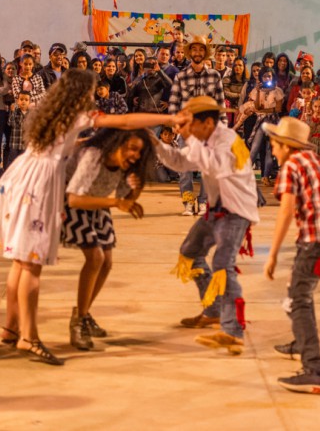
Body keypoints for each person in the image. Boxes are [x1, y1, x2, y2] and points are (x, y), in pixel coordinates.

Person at [0, 69, 180, 365]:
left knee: (20, 261)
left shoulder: (49, 113)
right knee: (32, 263)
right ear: (80, 93)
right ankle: (28, 337)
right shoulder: (78, 116)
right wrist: (169, 119)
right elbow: (125, 121)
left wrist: (79, 144)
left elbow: (56, 145)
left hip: (20, 177)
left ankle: (11, 328)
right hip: (40, 185)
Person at [154, 96, 258, 352]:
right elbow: (180, 162)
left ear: (207, 123)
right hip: (217, 209)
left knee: (223, 264)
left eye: (190, 124)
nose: (185, 129)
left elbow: (216, 166)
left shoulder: (228, 140)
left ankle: (233, 331)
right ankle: (213, 310)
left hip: (235, 211)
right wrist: (155, 143)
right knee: (190, 252)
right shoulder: (204, 140)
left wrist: (188, 137)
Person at [263, 116, 320, 395]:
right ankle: (302, 342)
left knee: (298, 298)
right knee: (301, 291)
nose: (273, 150)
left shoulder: (292, 165)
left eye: (275, 145)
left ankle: (315, 369)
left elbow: (286, 211)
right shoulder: (318, 162)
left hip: (317, 239)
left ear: (287, 146)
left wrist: (272, 254)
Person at [63, 128, 155, 350]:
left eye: (139, 152)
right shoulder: (93, 155)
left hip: (98, 202)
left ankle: (83, 313)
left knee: (107, 262)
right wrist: (115, 203)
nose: (135, 155)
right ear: (117, 142)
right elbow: (74, 199)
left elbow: (124, 198)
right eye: (132, 148)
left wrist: (136, 189)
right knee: (95, 257)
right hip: (70, 203)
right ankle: (78, 323)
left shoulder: (126, 165)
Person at [168, 36, 225, 215]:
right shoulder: (181, 76)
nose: (198, 52)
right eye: (194, 49)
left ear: (205, 53)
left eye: (201, 49)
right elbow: (174, 102)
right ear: (190, 52)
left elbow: (220, 104)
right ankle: (187, 202)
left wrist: (223, 127)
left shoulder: (215, 75)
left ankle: (203, 202)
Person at [6, 91, 30, 169]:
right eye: (21, 99)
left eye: (26, 100)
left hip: (25, 144)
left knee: (24, 163)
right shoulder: (15, 112)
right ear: (17, 101)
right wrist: (12, 112)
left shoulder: (31, 113)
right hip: (14, 143)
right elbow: (10, 123)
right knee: (12, 162)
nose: (23, 101)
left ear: (29, 102)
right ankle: (10, 175)